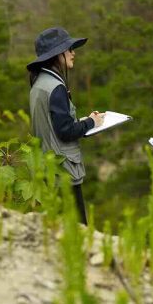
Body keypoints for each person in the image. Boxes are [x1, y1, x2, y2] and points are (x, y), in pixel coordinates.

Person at [28, 26, 104, 225]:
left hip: (48, 170)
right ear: (57, 54)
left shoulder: (39, 84)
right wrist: (91, 122)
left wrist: (86, 122)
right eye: (69, 49)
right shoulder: (56, 87)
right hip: (64, 172)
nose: (73, 53)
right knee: (77, 230)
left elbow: (54, 128)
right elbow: (65, 131)